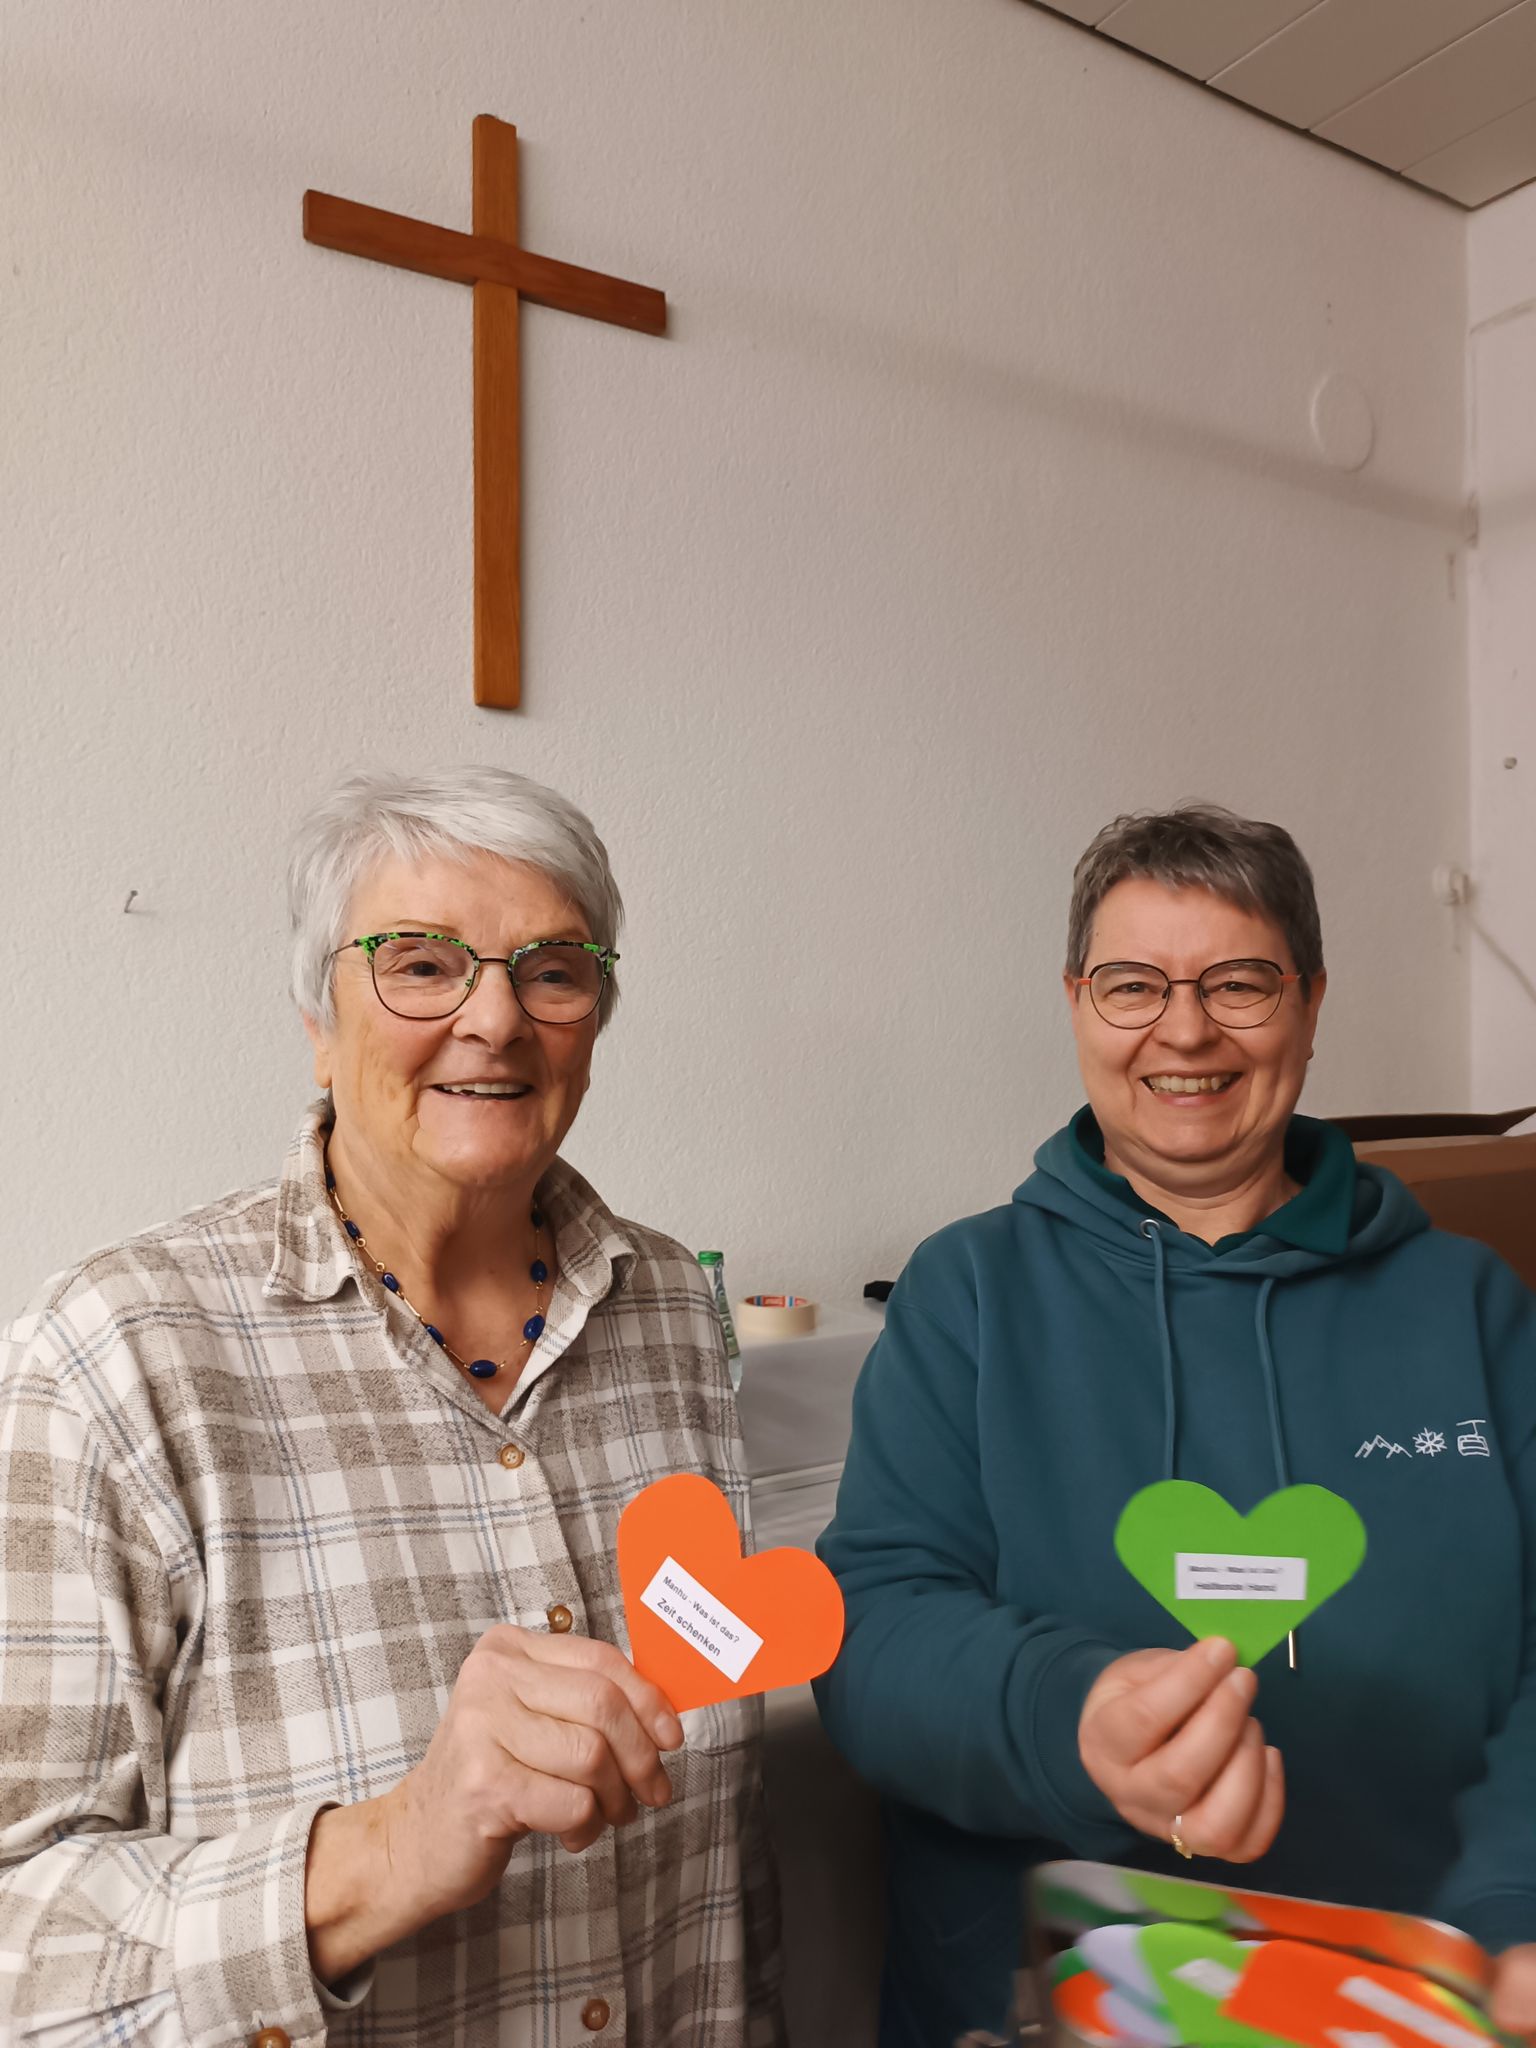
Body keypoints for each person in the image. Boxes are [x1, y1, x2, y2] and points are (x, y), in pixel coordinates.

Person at [0, 766, 782, 2047]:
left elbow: (724, 1866)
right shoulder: (118, 1358)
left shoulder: (673, 1316)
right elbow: (19, 1943)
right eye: (421, 964)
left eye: (553, 970)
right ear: (318, 1018)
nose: (496, 1019)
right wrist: (390, 1847)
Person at [816, 803, 1536, 2047]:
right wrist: (1074, 1718)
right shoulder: (971, 1291)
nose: (1186, 1028)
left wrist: (1513, 1906)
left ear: (1311, 1002)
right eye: (1134, 983)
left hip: (1414, 2001)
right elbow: (870, 1632)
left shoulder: (1470, 1303)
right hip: (1055, 2005)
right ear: (1077, 1003)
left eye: (1240, 982)